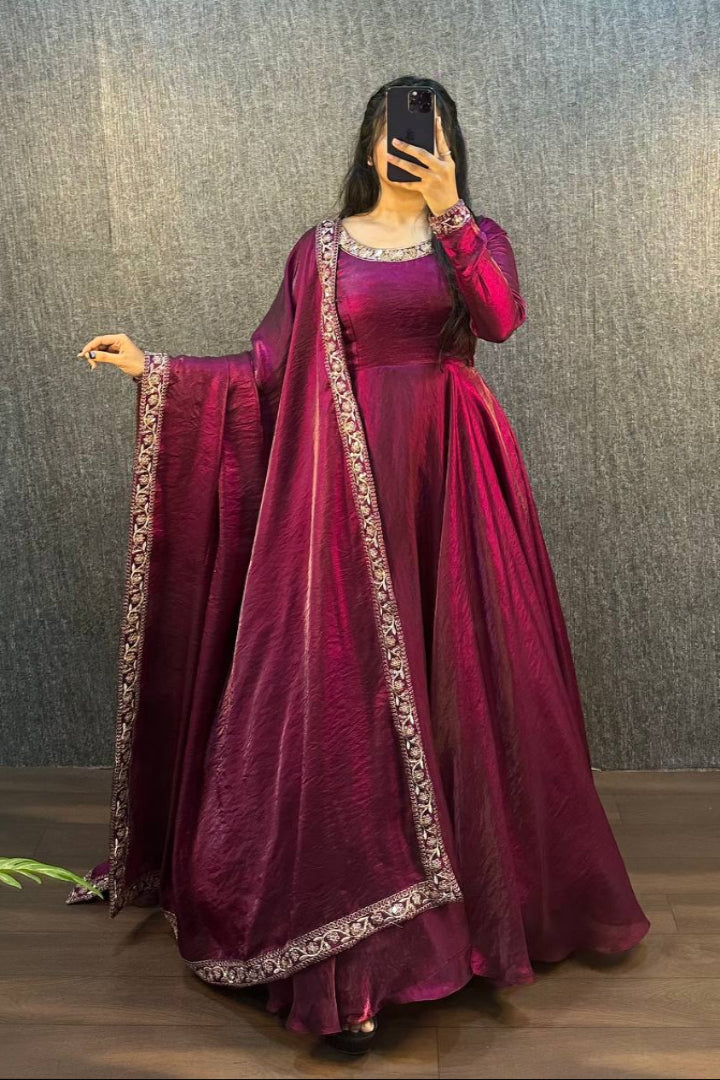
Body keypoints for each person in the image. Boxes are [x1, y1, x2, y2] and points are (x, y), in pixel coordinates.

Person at [67, 76, 650, 1056]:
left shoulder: (474, 235)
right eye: (389, 134)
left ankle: (485, 911)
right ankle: (364, 952)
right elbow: (267, 371)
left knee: (466, 684)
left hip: (452, 488)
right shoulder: (322, 254)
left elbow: (500, 320)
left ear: (447, 146)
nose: (402, 149)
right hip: (341, 500)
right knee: (348, 704)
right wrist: (155, 370)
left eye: (421, 138)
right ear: (368, 143)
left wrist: (451, 211)